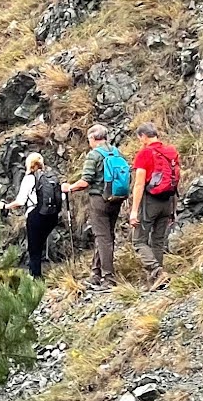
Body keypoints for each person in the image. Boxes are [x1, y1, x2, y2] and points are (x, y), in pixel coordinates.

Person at [69, 123, 130, 286]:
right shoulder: (116, 152)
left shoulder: (94, 155)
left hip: (99, 200)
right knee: (107, 235)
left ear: (92, 138)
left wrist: (70, 187)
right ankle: (96, 273)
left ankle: (108, 277)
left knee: (103, 237)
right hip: (116, 198)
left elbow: (85, 181)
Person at [127, 116, 181, 290]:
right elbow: (175, 180)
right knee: (157, 241)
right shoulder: (171, 151)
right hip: (167, 201)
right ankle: (156, 282)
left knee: (138, 241)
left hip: (150, 202)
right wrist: (173, 209)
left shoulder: (144, 154)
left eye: (139, 138)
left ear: (143, 136)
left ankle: (158, 273)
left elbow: (139, 184)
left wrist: (134, 211)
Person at [4, 152, 62, 279]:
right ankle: (44, 272)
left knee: (34, 248)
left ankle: (36, 277)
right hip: (52, 216)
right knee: (40, 244)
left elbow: (20, 201)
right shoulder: (51, 176)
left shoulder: (30, 178)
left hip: (36, 215)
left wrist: (5, 206)